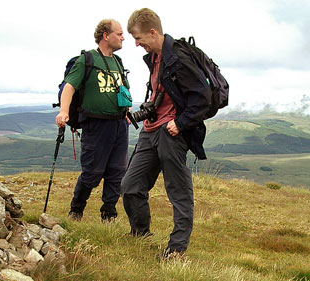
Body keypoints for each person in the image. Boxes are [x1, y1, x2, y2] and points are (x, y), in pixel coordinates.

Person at [122, 8, 211, 258]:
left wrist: (180, 123)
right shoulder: (155, 58)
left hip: (171, 132)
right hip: (150, 130)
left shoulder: (179, 58)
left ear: (153, 32)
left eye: (138, 39)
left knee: (178, 191)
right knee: (130, 185)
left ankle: (176, 250)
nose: (137, 44)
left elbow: (202, 98)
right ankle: (140, 234)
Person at [55, 19, 130, 222]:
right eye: (119, 33)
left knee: (116, 172)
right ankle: (76, 210)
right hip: (96, 125)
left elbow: (124, 89)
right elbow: (69, 87)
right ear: (106, 35)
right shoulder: (87, 60)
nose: (123, 37)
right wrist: (64, 112)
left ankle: (108, 214)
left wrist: (128, 109)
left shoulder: (118, 62)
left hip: (119, 124)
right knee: (92, 172)